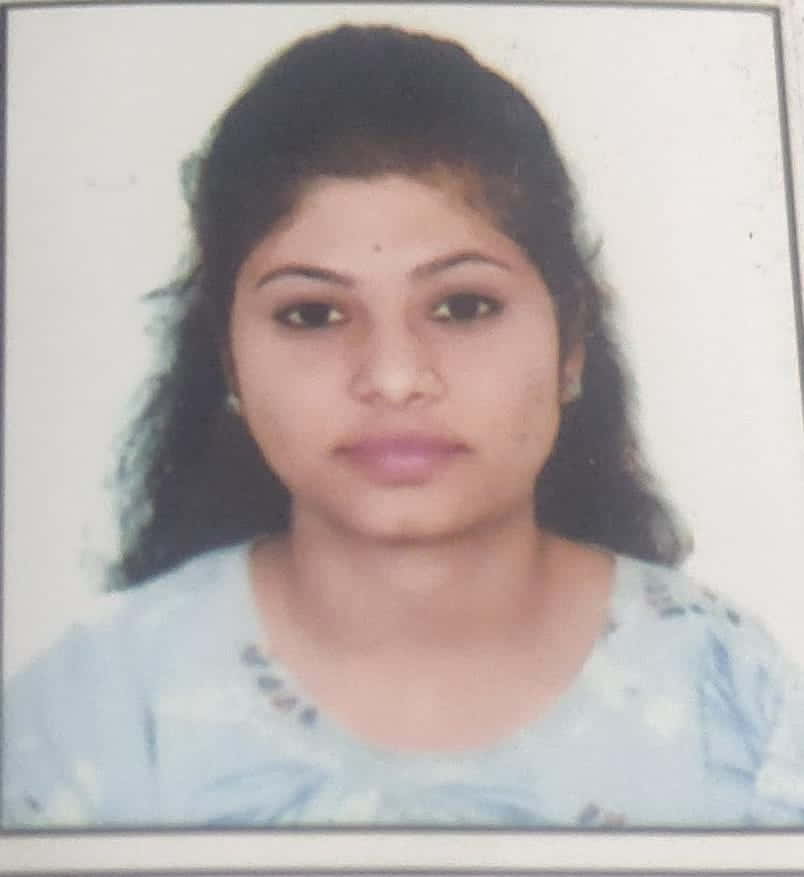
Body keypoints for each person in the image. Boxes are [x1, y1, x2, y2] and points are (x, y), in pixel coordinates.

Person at [4, 24, 804, 829]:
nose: (392, 378)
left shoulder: (736, 699)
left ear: (571, 343)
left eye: (463, 306)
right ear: (229, 361)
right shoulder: (92, 716)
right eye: (313, 314)